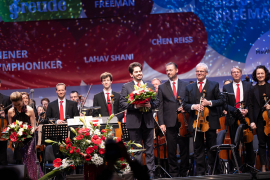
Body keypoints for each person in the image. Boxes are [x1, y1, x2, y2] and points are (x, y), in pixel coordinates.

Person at [119, 62, 160, 179]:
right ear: (131, 74)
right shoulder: (126, 87)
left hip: (148, 122)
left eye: (140, 71)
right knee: (136, 151)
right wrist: (135, 106)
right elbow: (122, 103)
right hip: (134, 123)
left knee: (149, 150)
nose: (139, 73)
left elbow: (157, 102)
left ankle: (151, 174)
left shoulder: (149, 86)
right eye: (136, 72)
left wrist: (149, 105)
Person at [183, 63, 223, 175]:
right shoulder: (189, 87)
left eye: (201, 71)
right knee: (198, 149)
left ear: (206, 73)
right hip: (196, 123)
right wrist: (193, 106)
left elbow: (221, 101)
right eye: (197, 71)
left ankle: (215, 172)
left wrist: (209, 103)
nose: (199, 73)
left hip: (210, 121)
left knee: (212, 148)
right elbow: (185, 104)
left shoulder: (214, 85)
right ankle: (200, 173)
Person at [157, 62, 189, 177]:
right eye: (167, 71)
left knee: (184, 149)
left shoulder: (186, 85)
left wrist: (185, 108)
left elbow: (189, 102)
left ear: (177, 70)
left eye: (170, 70)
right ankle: (173, 174)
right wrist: (161, 123)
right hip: (169, 123)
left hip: (183, 122)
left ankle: (184, 172)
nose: (168, 72)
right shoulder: (162, 87)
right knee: (171, 150)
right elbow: (159, 106)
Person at [223, 66, 254, 171]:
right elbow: (225, 104)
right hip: (233, 118)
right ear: (231, 74)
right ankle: (237, 167)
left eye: (237, 72)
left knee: (249, 143)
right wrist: (237, 111)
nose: (236, 74)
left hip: (247, 117)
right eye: (233, 72)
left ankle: (250, 167)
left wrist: (247, 110)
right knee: (235, 144)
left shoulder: (248, 85)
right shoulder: (226, 87)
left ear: (241, 73)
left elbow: (252, 101)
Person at [7, 91, 43, 179]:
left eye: (19, 104)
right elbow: (10, 127)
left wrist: (26, 132)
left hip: (29, 138)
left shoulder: (30, 110)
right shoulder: (10, 111)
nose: (17, 107)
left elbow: (34, 126)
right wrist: (15, 134)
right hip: (18, 140)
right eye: (15, 105)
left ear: (22, 100)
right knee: (20, 158)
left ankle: (33, 177)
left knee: (30, 155)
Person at [249, 65, 270, 172]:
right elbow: (251, 106)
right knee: (261, 143)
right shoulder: (253, 89)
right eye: (258, 74)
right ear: (255, 75)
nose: (260, 75)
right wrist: (252, 121)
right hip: (259, 120)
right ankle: (263, 166)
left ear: (265, 74)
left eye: (262, 73)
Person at [0, 80, 12, 165]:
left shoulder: (6, 99)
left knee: (2, 158)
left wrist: (5, 116)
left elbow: (11, 115)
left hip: (1, 132)